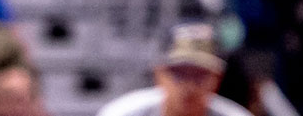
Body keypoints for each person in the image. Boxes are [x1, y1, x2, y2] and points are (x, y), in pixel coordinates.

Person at [96, 23, 253, 116]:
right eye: (179, 73)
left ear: (217, 78)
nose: (189, 86)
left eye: (200, 75)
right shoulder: (125, 113)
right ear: (159, 74)